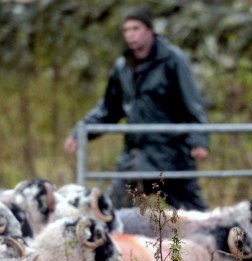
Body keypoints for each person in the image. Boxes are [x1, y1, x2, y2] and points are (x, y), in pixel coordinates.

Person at [63, 6, 209, 210]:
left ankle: (226, 240)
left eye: (136, 28)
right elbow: (108, 109)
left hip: (170, 155)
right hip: (134, 157)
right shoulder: (122, 67)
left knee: (196, 216)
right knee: (112, 213)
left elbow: (192, 103)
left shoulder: (173, 60)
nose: (130, 35)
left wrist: (199, 140)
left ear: (150, 30)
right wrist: (80, 132)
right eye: (126, 30)